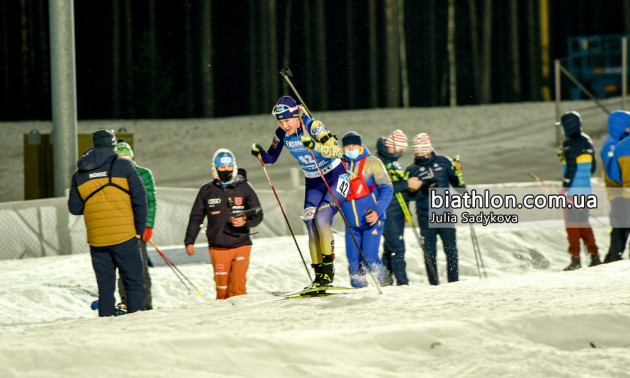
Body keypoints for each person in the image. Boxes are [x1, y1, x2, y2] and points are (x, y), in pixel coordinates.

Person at [251, 95, 348, 288]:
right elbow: (271, 158)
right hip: (313, 182)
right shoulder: (281, 134)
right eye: (280, 121)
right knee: (311, 225)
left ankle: (329, 272)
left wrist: (314, 145)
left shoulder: (313, 126)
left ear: (296, 116)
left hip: (335, 177)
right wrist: (260, 153)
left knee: (322, 219)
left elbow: (337, 151)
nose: (284, 125)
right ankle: (319, 276)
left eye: (287, 120)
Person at [68, 129, 147, 316]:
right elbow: (140, 197)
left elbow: (75, 208)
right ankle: (137, 321)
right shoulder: (124, 165)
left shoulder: (79, 173)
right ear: (113, 145)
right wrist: (139, 229)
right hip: (125, 236)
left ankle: (106, 324)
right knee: (134, 282)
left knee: (105, 286)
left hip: (97, 240)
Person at [184, 149, 263, 300]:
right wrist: (189, 240)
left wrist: (245, 221)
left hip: (241, 244)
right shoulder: (207, 190)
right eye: (222, 168)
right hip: (218, 246)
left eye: (229, 167)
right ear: (215, 169)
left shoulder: (245, 187)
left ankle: (240, 318)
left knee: (238, 287)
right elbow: (196, 217)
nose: (226, 170)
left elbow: (258, 214)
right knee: (222, 290)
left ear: (234, 167)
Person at [405, 133, 465, 285]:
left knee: (451, 250)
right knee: (430, 253)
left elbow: (458, 186)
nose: (419, 153)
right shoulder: (412, 169)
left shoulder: (444, 162)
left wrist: (458, 175)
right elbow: (408, 196)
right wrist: (419, 189)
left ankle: (454, 282)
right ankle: (434, 284)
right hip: (425, 215)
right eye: (416, 151)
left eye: (422, 149)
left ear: (429, 148)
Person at [340, 131, 393, 287]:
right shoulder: (339, 166)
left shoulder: (372, 163)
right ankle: (359, 291)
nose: (351, 148)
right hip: (351, 224)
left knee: (369, 257)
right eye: (348, 146)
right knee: (353, 262)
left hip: (371, 221)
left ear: (360, 146)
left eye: (354, 145)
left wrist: (377, 211)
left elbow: (387, 189)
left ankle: (383, 285)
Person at [114, 140, 156, 310]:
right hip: (120, 229)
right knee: (123, 267)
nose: (124, 159)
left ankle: (145, 303)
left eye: (126, 155)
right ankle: (126, 302)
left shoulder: (143, 174)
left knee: (141, 267)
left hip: (138, 229)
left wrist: (148, 225)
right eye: (120, 156)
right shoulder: (112, 175)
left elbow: (150, 201)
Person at [558, 111, 600, 270]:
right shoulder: (587, 141)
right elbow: (593, 167)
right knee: (583, 223)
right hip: (586, 190)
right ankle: (595, 255)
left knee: (572, 225)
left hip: (572, 193)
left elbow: (571, 167)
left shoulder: (569, 143)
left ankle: (575, 259)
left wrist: (565, 188)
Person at [375, 130, 411, 286]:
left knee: (390, 248)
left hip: (397, 211)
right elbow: (382, 187)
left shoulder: (393, 162)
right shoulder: (377, 163)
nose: (400, 154)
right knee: (398, 247)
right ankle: (403, 283)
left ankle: (385, 281)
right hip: (387, 210)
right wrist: (407, 184)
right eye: (398, 150)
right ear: (391, 147)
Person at [601, 111, 630, 263]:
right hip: (617, 192)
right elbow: (613, 174)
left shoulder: (618, 143)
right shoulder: (612, 145)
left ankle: (612, 257)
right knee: (620, 225)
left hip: (622, 191)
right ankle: (613, 257)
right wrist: (625, 180)